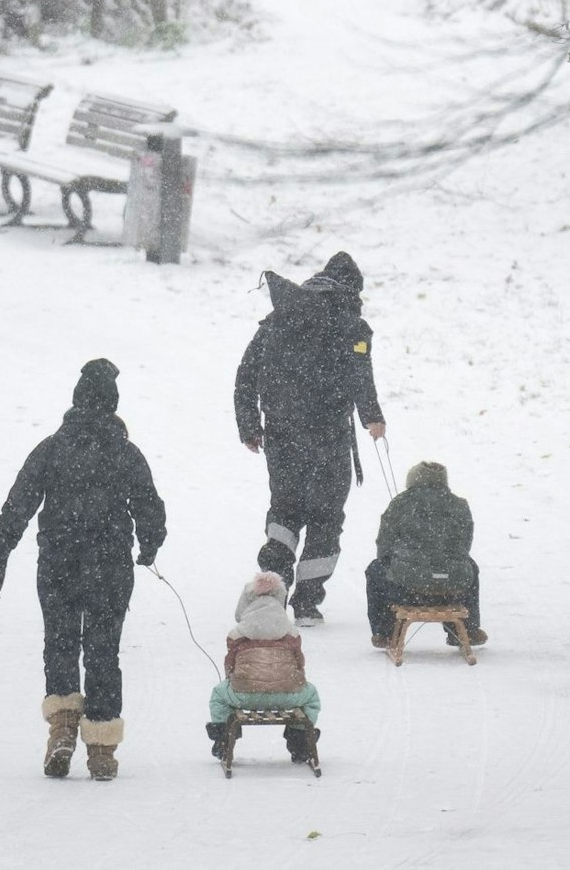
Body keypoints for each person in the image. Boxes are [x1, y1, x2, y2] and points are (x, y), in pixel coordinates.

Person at [0, 359, 166, 781]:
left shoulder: (51, 448)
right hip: (109, 566)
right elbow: (148, 504)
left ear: (76, 402)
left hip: (59, 563)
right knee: (104, 651)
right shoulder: (125, 452)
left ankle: (63, 728)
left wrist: (1, 553)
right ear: (113, 404)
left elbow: (20, 501)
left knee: (61, 643)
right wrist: (150, 543)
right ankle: (102, 749)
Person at [233, 250, 386, 626]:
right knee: (326, 517)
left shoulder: (280, 318)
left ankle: (273, 590)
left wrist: (250, 425)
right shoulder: (350, 326)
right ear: (353, 289)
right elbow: (359, 377)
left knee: (284, 512)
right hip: (329, 436)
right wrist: (373, 418)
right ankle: (308, 603)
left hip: (282, 434)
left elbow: (245, 375)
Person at [364, 460, 488, 650]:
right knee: (470, 567)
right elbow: (464, 547)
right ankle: (468, 631)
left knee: (375, 569)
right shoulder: (460, 505)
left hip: (407, 592)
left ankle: (385, 633)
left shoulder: (400, 503)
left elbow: (384, 547)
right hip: (453, 590)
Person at [205, 571, 322, 764]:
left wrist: (237, 679)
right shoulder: (290, 632)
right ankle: (300, 742)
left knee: (218, 695)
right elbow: (300, 664)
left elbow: (230, 665)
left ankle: (224, 739)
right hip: (288, 696)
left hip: (245, 695)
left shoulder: (237, 634)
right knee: (312, 696)